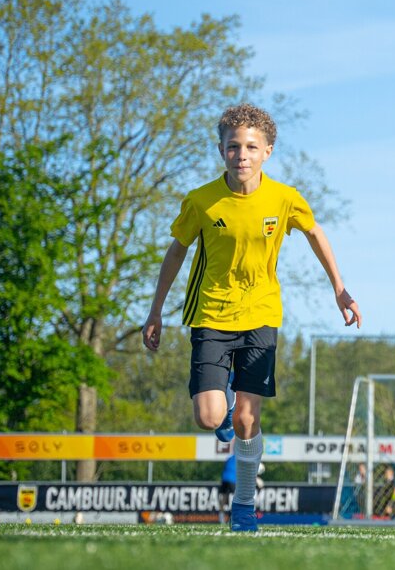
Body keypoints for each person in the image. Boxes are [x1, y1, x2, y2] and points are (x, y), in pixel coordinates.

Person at [142, 103, 362, 532]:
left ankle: (244, 505)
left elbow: (316, 233)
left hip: (262, 315)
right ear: (221, 150)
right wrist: (155, 310)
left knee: (247, 418)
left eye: (250, 147)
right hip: (210, 315)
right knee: (209, 417)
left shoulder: (284, 199)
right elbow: (176, 251)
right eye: (232, 147)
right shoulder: (202, 201)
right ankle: (219, 409)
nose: (241, 155)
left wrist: (339, 288)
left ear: (267, 151)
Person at [219, 450, 237, 525]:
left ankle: (221, 517)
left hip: (224, 479)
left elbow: (225, 467)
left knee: (223, 498)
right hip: (232, 480)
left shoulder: (229, 458)